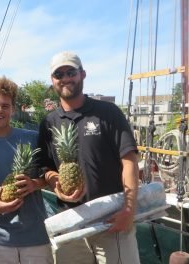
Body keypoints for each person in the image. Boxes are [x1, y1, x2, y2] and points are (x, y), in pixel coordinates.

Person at [38, 51, 140, 264]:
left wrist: (129, 210)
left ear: (82, 74)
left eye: (70, 72)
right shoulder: (48, 123)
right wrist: (55, 182)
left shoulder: (108, 112)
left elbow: (129, 160)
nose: (65, 78)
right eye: (59, 74)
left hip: (111, 218)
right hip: (70, 222)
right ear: (52, 80)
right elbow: (45, 167)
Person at [0, 77, 53, 264]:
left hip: (37, 236)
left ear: (13, 109)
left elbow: (49, 176)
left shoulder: (33, 138)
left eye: (5, 106)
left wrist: (35, 184)